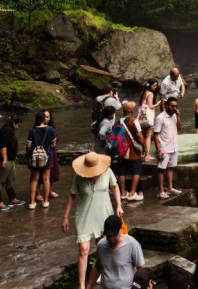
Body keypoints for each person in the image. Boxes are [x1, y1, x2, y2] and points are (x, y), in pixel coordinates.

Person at [63, 152, 124, 289]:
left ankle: (100, 272)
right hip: (84, 215)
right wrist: (65, 217)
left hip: (103, 214)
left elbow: (115, 186)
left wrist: (119, 204)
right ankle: (82, 285)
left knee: (102, 245)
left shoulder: (107, 172)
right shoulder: (79, 177)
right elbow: (72, 195)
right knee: (83, 249)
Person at [86, 215, 144, 289]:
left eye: (114, 235)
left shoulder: (132, 244)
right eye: (108, 235)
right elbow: (97, 267)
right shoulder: (101, 245)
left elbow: (142, 270)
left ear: (120, 230)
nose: (111, 238)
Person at [0, 115, 25, 211]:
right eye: (17, 124)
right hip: (1, 160)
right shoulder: (7, 131)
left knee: (10, 178)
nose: (18, 126)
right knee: (0, 181)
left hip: (9, 159)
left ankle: (12, 198)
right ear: (14, 123)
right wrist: (5, 159)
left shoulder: (6, 130)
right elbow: (3, 146)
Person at [154, 96, 183, 199]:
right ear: (166, 105)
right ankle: (161, 191)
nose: (174, 108)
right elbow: (156, 134)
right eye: (172, 106)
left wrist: (178, 116)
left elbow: (179, 128)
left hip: (174, 146)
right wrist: (158, 150)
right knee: (161, 169)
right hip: (164, 148)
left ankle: (170, 188)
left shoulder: (175, 115)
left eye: (175, 106)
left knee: (170, 168)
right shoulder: (160, 118)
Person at [27, 110, 56, 209]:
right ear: (44, 119)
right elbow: (53, 144)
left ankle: (31, 203)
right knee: (46, 179)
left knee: (34, 179)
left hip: (35, 157)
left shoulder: (32, 130)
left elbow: (28, 145)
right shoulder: (50, 129)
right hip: (47, 156)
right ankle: (46, 201)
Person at [117, 101, 145, 202]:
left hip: (120, 151)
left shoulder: (117, 122)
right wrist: (145, 147)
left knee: (121, 172)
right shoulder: (134, 121)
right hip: (132, 151)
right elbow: (139, 135)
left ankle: (123, 193)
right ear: (131, 111)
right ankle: (132, 193)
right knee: (136, 170)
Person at [36, 109, 60, 201]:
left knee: (52, 173)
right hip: (39, 152)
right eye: (45, 116)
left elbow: (56, 138)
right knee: (37, 174)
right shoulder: (36, 128)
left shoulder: (51, 128)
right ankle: (37, 193)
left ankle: (50, 191)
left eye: (48, 117)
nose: (46, 118)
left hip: (51, 152)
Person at [137, 80, 158, 161]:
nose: (155, 87)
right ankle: (147, 155)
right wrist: (159, 103)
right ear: (150, 85)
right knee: (148, 137)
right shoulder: (150, 94)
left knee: (142, 135)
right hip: (148, 117)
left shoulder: (143, 92)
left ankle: (142, 153)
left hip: (141, 116)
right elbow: (150, 106)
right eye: (154, 85)